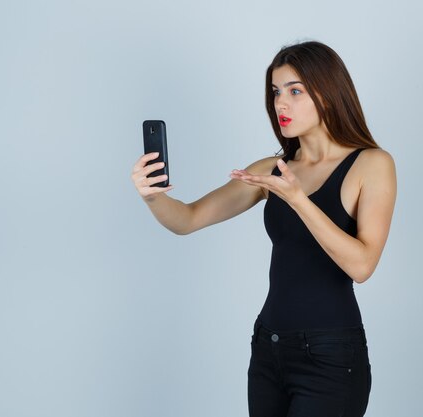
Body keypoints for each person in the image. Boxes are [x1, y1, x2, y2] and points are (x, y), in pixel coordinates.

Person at [131, 40, 396, 417]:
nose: (281, 103)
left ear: (329, 92)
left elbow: (362, 265)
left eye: (295, 91)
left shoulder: (372, 164)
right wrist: (152, 196)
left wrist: (298, 199)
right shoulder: (272, 169)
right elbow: (188, 219)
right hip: (268, 350)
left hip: (330, 357)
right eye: (275, 92)